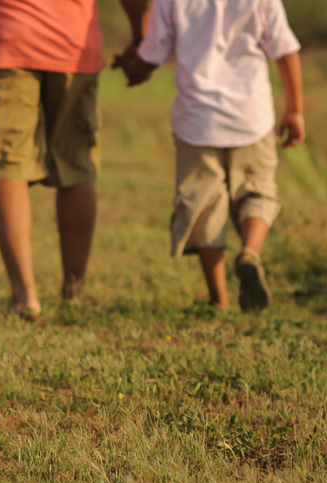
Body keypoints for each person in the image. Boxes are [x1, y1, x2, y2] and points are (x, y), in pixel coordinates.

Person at [0, 0, 150, 320]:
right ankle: (74, 291)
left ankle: (25, 295)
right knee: (76, 165)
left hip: (5, 38)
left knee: (6, 163)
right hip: (74, 43)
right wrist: (141, 37)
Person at [117, 0, 305, 311]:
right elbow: (285, 50)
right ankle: (250, 253)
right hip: (251, 116)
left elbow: (154, 52)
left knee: (203, 205)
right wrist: (295, 110)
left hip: (198, 121)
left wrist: (132, 68)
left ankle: (219, 299)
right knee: (258, 191)